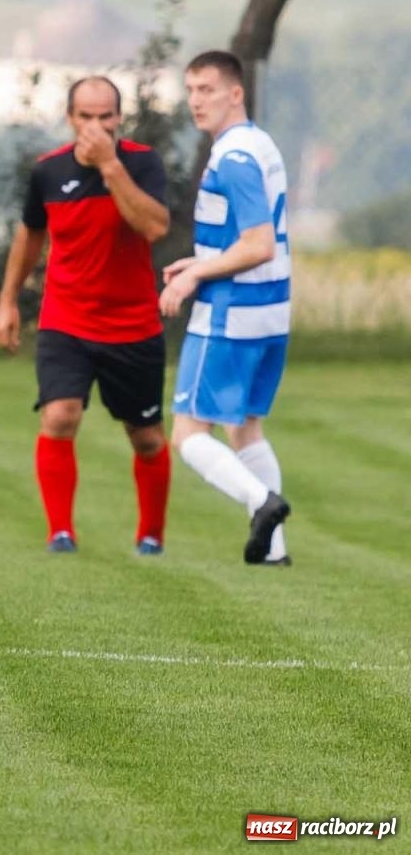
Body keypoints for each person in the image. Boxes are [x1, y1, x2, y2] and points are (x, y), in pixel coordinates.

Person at [0, 78, 173, 555]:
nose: (97, 126)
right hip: (66, 319)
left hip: (133, 325)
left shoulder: (141, 162)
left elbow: (153, 225)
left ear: (119, 117)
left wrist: (111, 167)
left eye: (106, 116)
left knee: (147, 437)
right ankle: (60, 533)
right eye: (87, 116)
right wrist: (8, 301)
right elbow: (30, 236)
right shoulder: (48, 172)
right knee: (59, 415)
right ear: (70, 118)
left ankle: (151, 536)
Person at [160, 50, 292, 565]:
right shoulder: (260, 144)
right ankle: (273, 552)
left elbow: (258, 243)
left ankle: (261, 503)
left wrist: (195, 273)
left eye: (208, 89)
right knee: (246, 428)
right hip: (270, 312)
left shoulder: (234, 157)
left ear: (235, 93)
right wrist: (201, 258)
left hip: (231, 315)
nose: (197, 101)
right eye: (191, 90)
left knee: (189, 433)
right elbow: (252, 240)